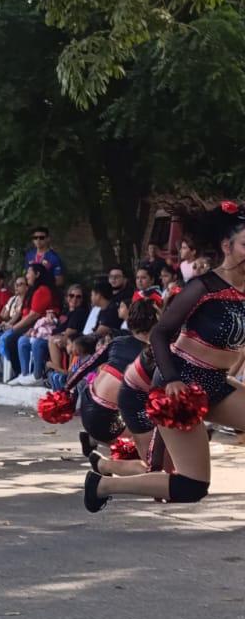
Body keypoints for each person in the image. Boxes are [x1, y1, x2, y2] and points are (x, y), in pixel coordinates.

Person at [84, 202, 245, 512]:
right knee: (191, 486)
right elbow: (160, 334)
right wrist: (171, 379)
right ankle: (103, 484)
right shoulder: (203, 287)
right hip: (180, 385)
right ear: (227, 246)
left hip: (216, 383)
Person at [67, 299, 160, 456]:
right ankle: (112, 457)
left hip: (86, 407)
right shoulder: (153, 354)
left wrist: (64, 391)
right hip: (109, 421)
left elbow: (86, 366)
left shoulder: (117, 342)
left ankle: (92, 439)